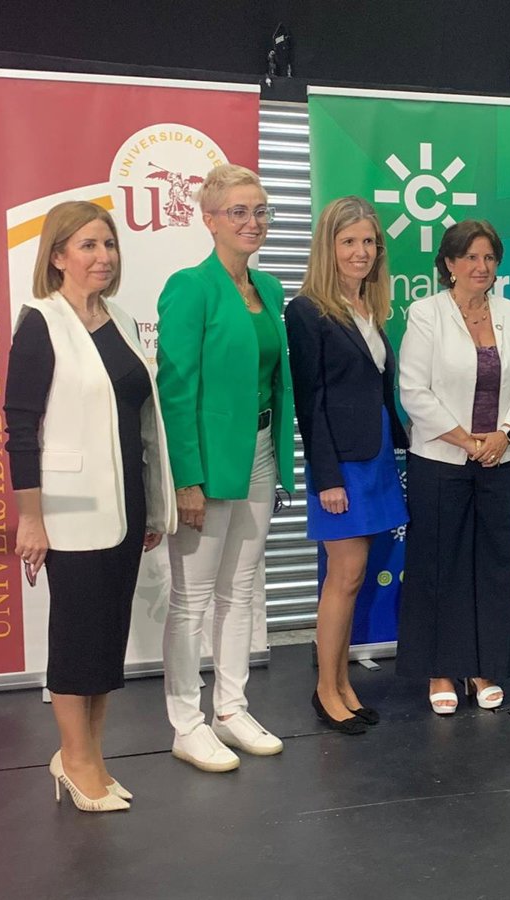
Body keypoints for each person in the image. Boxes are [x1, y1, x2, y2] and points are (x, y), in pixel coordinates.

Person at [5, 201, 176, 812]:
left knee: (106, 637)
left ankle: (90, 756)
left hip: (126, 503)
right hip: (70, 509)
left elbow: (141, 419)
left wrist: (152, 506)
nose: (103, 256)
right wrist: (30, 518)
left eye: (109, 244)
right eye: (88, 245)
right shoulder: (41, 322)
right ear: (57, 256)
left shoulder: (121, 319)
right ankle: (75, 761)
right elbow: (20, 430)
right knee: (77, 636)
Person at [157, 164, 295, 770]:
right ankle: (186, 722)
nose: (252, 222)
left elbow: (274, 379)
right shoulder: (190, 287)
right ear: (209, 219)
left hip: (260, 452)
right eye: (238, 211)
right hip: (209, 462)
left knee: (241, 589)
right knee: (192, 598)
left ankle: (231, 709)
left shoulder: (269, 287)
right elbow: (176, 389)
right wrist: (185, 477)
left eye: (260, 211)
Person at [397, 220, 510, 714]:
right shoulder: (426, 314)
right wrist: (466, 441)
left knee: (495, 565)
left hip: (502, 458)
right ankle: (441, 668)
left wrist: (504, 436)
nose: (482, 267)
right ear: (449, 264)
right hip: (441, 460)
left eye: (490, 258)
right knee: (441, 564)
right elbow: (414, 391)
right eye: (471, 257)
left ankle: (484, 666)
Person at [285, 197, 408, 734]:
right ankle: (325, 690)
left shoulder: (369, 308)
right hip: (340, 464)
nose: (361, 252)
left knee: (354, 578)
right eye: (349, 241)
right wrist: (327, 478)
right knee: (344, 575)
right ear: (328, 247)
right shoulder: (306, 310)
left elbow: (376, 389)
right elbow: (310, 402)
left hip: (375, 455)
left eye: (368, 242)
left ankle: (342, 684)